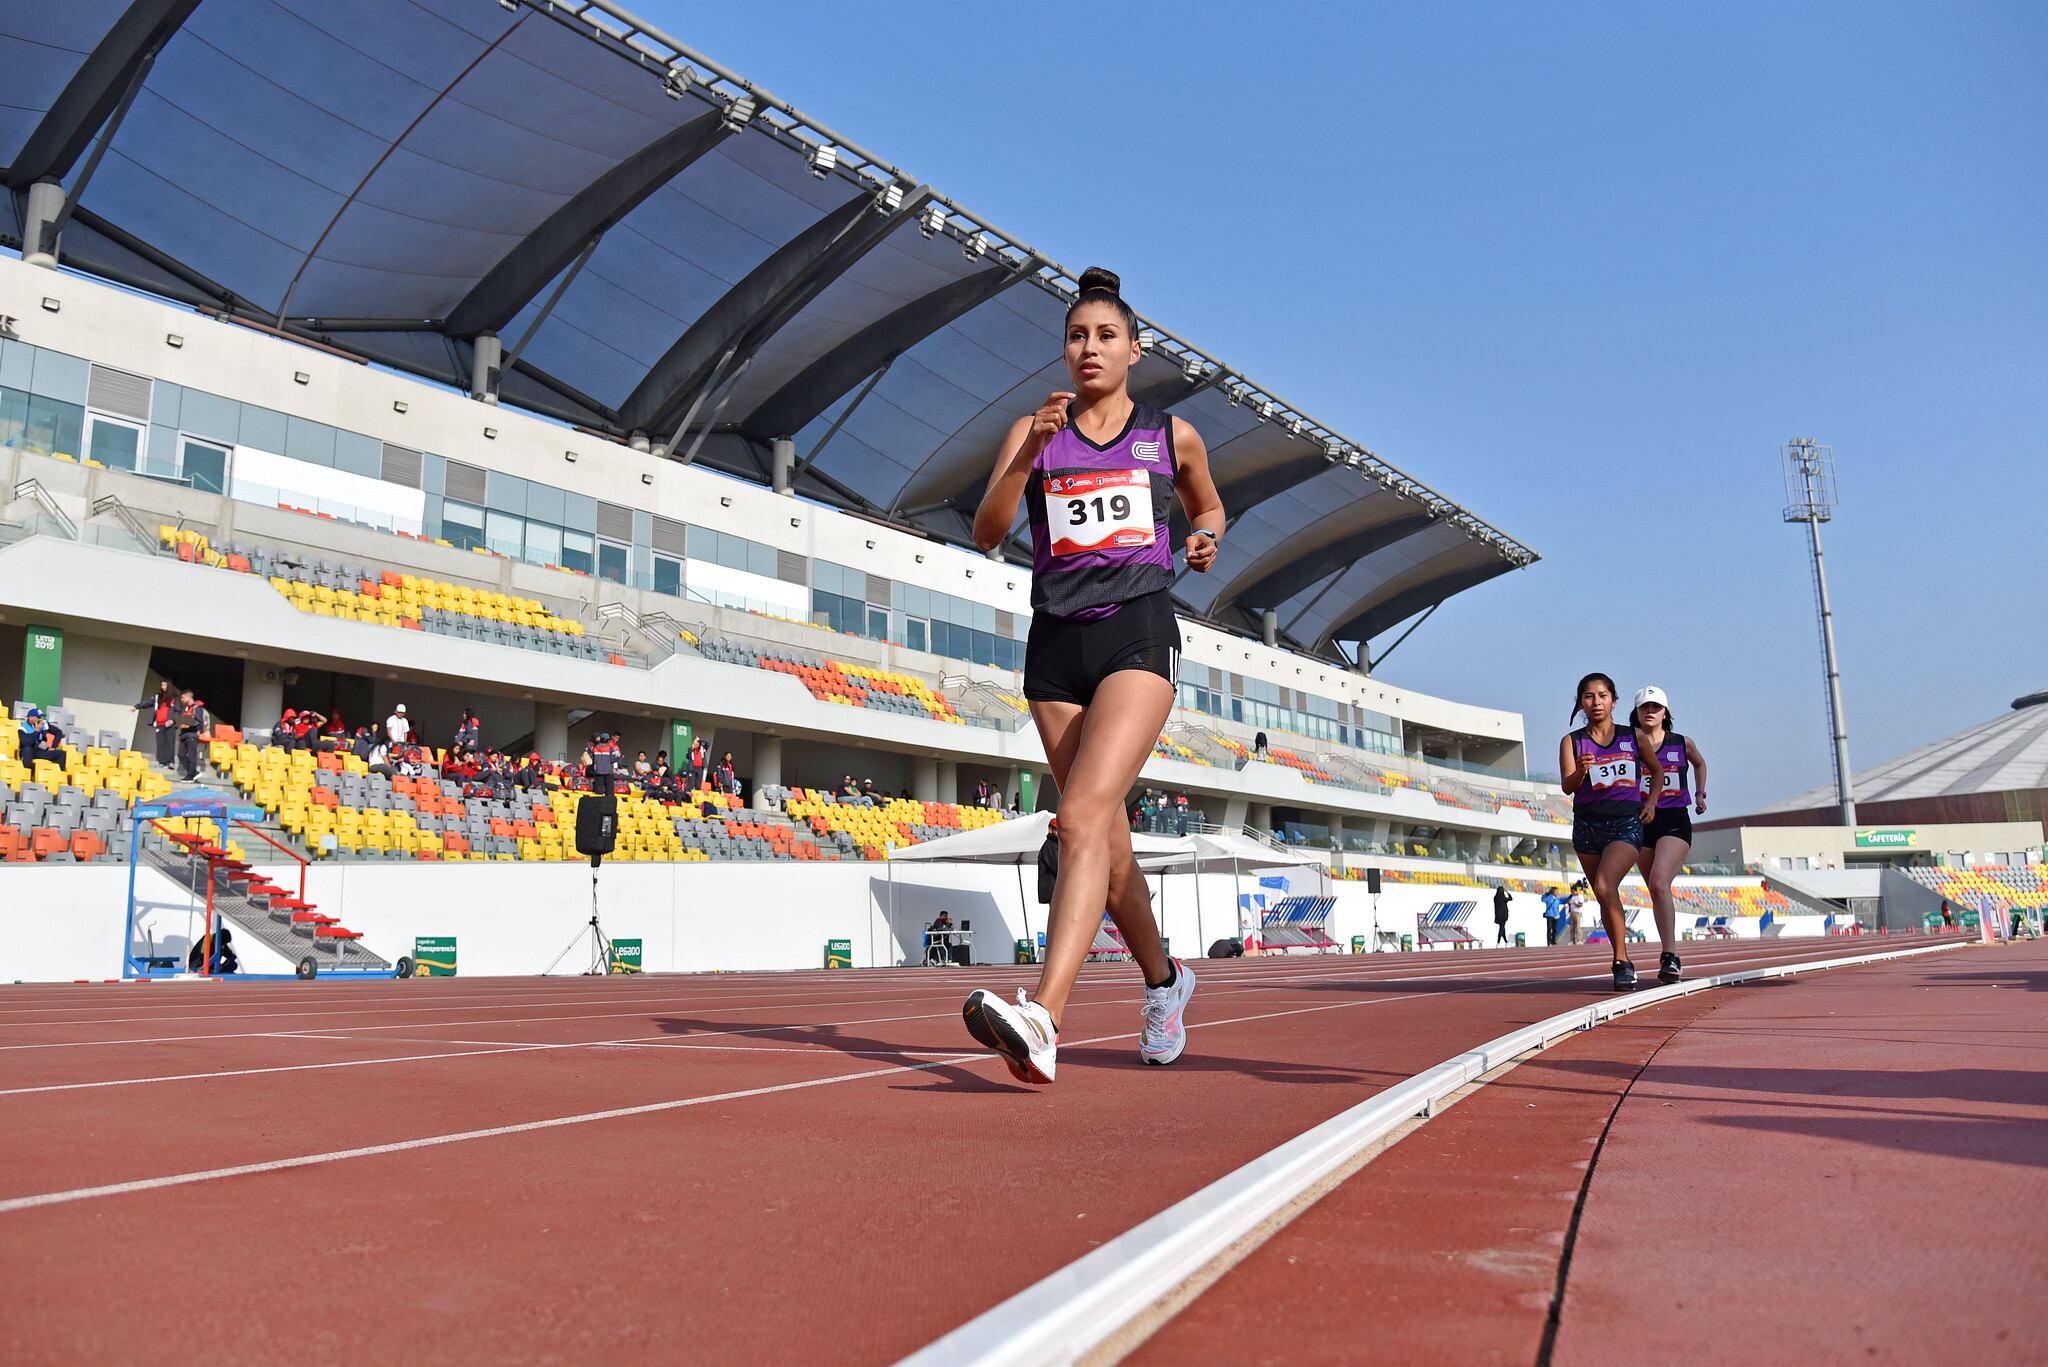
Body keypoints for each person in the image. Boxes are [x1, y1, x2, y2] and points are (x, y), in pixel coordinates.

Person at [959, 266, 1225, 1083]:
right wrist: (1027, 455)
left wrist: (1205, 537)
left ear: (1135, 350)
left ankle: (1043, 1017)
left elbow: (1207, 505)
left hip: (1138, 632)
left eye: (1106, 335)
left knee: (1077, 817)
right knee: (1105, 844)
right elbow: (987, 532)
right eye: (1077, 335)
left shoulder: (1168, 435)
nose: (1090, 347)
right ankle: (1165, 981)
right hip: (1055, 648)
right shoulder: (1034, 430)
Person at [1559, 672, 1663, 992]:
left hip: (1625, 823)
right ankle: (1621, 959)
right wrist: (1581, 771)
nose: (1596, 702)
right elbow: (1567, 786)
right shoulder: (1572, 741)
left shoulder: (1632, 737)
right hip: (1587, 826)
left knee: (1606, 883)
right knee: (1605, 895)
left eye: (1603, 696)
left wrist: (1652, 803)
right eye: (1589, 697)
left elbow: (1657, 771)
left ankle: (1622, 961)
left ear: (1613, 701)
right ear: (1581, 703)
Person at [1629, 685, 1708, 985]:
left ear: (1665, 713)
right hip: (1639, 821)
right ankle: (1666, 952)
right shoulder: (1628, 745)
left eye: (1656, 707)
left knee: (1659, 880)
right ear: (1636, 713)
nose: (1650, 712)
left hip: (1674, 820)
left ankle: (1671, 955)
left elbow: (1700, 762)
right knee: (1656, 889)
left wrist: (1699, 793)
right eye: (1644, 708)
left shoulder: (1681, 743)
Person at [134, 680, 176, 766]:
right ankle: (161, 762)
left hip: (170, 724)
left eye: (165, 685)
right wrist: (137, 706)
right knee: (160, 743)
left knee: (169, 743)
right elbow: (148, 703)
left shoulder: (174, 698)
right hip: (159, 723)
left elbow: (178, 711)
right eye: (162, 685)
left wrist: (173, 720)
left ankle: (170, 762)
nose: (163, 687)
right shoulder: (157, 696)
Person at [175, 689, 208, 781]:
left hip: (192, 735)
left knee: (191, 755)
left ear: (188, 696)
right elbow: (182, 720)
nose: (181, 700)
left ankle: (190, 776)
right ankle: (194, 772)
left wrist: (187, 725)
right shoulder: (186, 709)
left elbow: (199, 722)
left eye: (182, 697)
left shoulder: (197, 708)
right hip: (183, 735)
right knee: (181, 755)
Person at [1567, 881, 1587, 946]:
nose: (1572, 893)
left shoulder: (1580, 896)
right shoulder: (1572, 897)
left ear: (1576, 891)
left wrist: (1574, 903)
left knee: (1578, 927)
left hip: (1578, 913)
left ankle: (1579, 940)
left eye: (1573, 891)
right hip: (1572, 913)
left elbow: (1581, 904)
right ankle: (1572, 940)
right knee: (1572, 927)